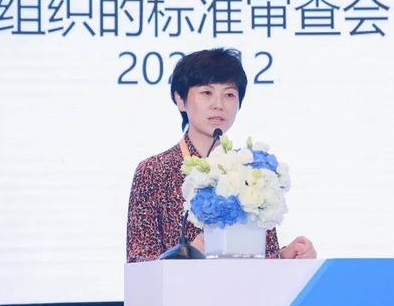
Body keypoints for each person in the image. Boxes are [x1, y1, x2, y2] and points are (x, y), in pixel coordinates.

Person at [126, 48, 316, 262]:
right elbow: (138, 260)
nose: (218, 105)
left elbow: (262, 258)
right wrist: (188, 254)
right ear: (180, 99)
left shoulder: (252, 171)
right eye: (207, 93)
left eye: (229, 95)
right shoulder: (154, 171)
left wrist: (285, 257)